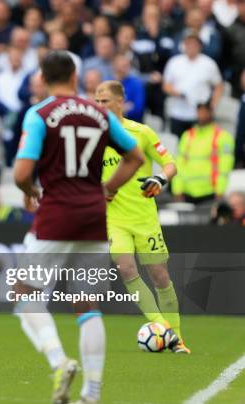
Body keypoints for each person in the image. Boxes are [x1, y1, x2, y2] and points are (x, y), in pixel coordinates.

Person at [12, 51, 144, 404]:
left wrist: (31, 192)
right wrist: (108, 188)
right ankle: (92, 395)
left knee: (23, 290)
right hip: (93, 216)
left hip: (56, 215)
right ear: (74, 75)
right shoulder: (99, 113)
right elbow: (135, 156)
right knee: (87, 306)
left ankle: (59, 361)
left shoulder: (39, 114)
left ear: (43, 78)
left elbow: (22, 173)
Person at [95, 80, 189, 353]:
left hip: (144, 217)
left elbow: (170, 164)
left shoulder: (141, 132)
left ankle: (178, 337)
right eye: (97, 102)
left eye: (105, 101)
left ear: (119, 102)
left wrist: (160, 178)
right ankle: (166, 331)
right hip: (113, 219)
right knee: (126, 269)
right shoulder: (90, 136)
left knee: (160, 276)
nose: (100, 107)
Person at [172, 101, 235, 203]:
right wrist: (177, 189)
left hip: (211, 193)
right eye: (199, 111)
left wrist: (220, 191)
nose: (201, 115)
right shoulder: (187, 136)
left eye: (204, 111)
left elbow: (224, 167)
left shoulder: (223, 137)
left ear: (211, 112)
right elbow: (179, 164)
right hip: (187, 193)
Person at [162, 32, 223, 138]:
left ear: (200, 46)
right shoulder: (174, 62)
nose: (191, 47)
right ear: (184, 45)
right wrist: (176, 93)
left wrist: (212, 105)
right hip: (178, 112)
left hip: (200, 115)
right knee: (177, 144)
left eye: (194, 44)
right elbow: (166, 85)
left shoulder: (209, 63)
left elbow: (218, 86)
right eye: (188, 43)